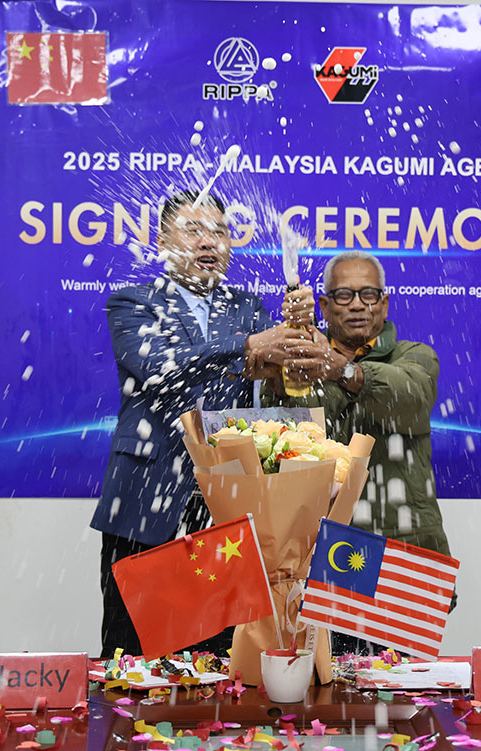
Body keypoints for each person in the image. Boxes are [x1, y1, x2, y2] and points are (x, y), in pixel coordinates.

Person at [90, 190, 311, 659]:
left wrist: (298, 339)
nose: (209, 241)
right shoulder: (132, 303)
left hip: (227, 502)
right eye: (193, 230)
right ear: (162, 242)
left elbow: (277, 391)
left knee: (220, 652)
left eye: (219, 232)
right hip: (146, 499)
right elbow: (159, 369)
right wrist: (247, 345)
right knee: (131, 649)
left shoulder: (249, 308)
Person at [251, 250, 453, 654]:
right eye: (344, 295)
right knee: (327, 684)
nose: (358, 304)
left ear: (384, 304)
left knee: (404, 687)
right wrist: (296, 357)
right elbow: (292, 434)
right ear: (325, 306)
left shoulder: (414, 356)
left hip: (402, 554)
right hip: (324, 556)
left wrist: (342, 369)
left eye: (368, 294)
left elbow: (410, 399)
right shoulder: (302, 363)